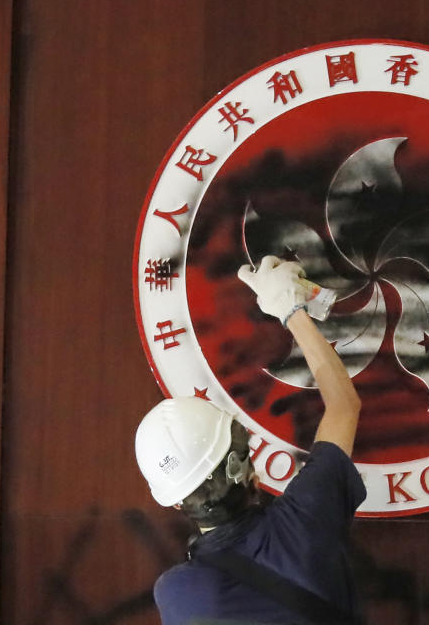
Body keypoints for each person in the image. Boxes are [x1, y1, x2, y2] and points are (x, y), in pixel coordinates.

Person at [135, 256, 365, 625]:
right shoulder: (306, 519)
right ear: (247, 465)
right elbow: (343, 406)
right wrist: (292, 312)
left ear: (177, 503)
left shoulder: (179, 594)